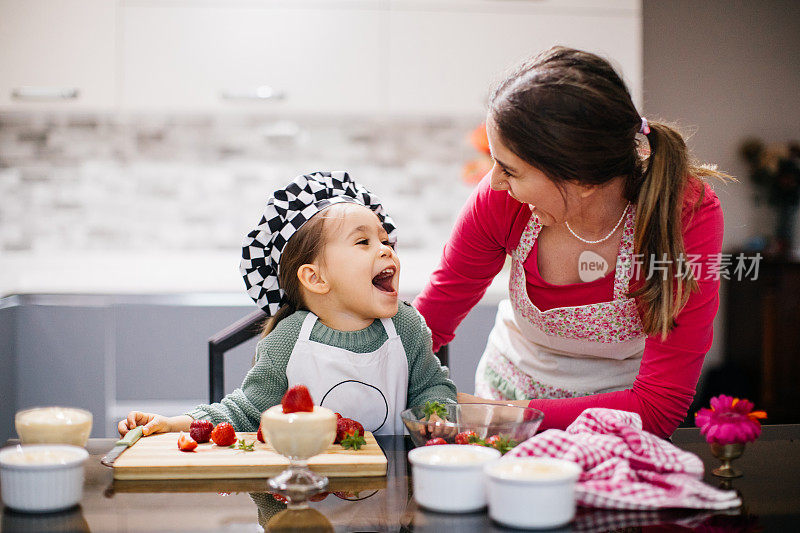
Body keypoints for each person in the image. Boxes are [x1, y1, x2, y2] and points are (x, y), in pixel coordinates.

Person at [413, 47, 729, 438]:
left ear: (583, 182)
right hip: (505, 400)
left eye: (510, 169)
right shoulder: (504, 199)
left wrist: (492, 414)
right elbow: (427, 325)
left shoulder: (684, 216)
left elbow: (659, 407)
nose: (493, 181)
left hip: (616, 428)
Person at [119, 171, 456, 437]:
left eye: (385, 239)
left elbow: (432, 386)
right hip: (303, 504)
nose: (386, 249)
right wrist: (177, 423)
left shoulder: (407, 328)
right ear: (315, 278)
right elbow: (247, 412)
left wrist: (435, 416)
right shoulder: (288, 340)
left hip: (390, 507)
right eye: (363, 241)